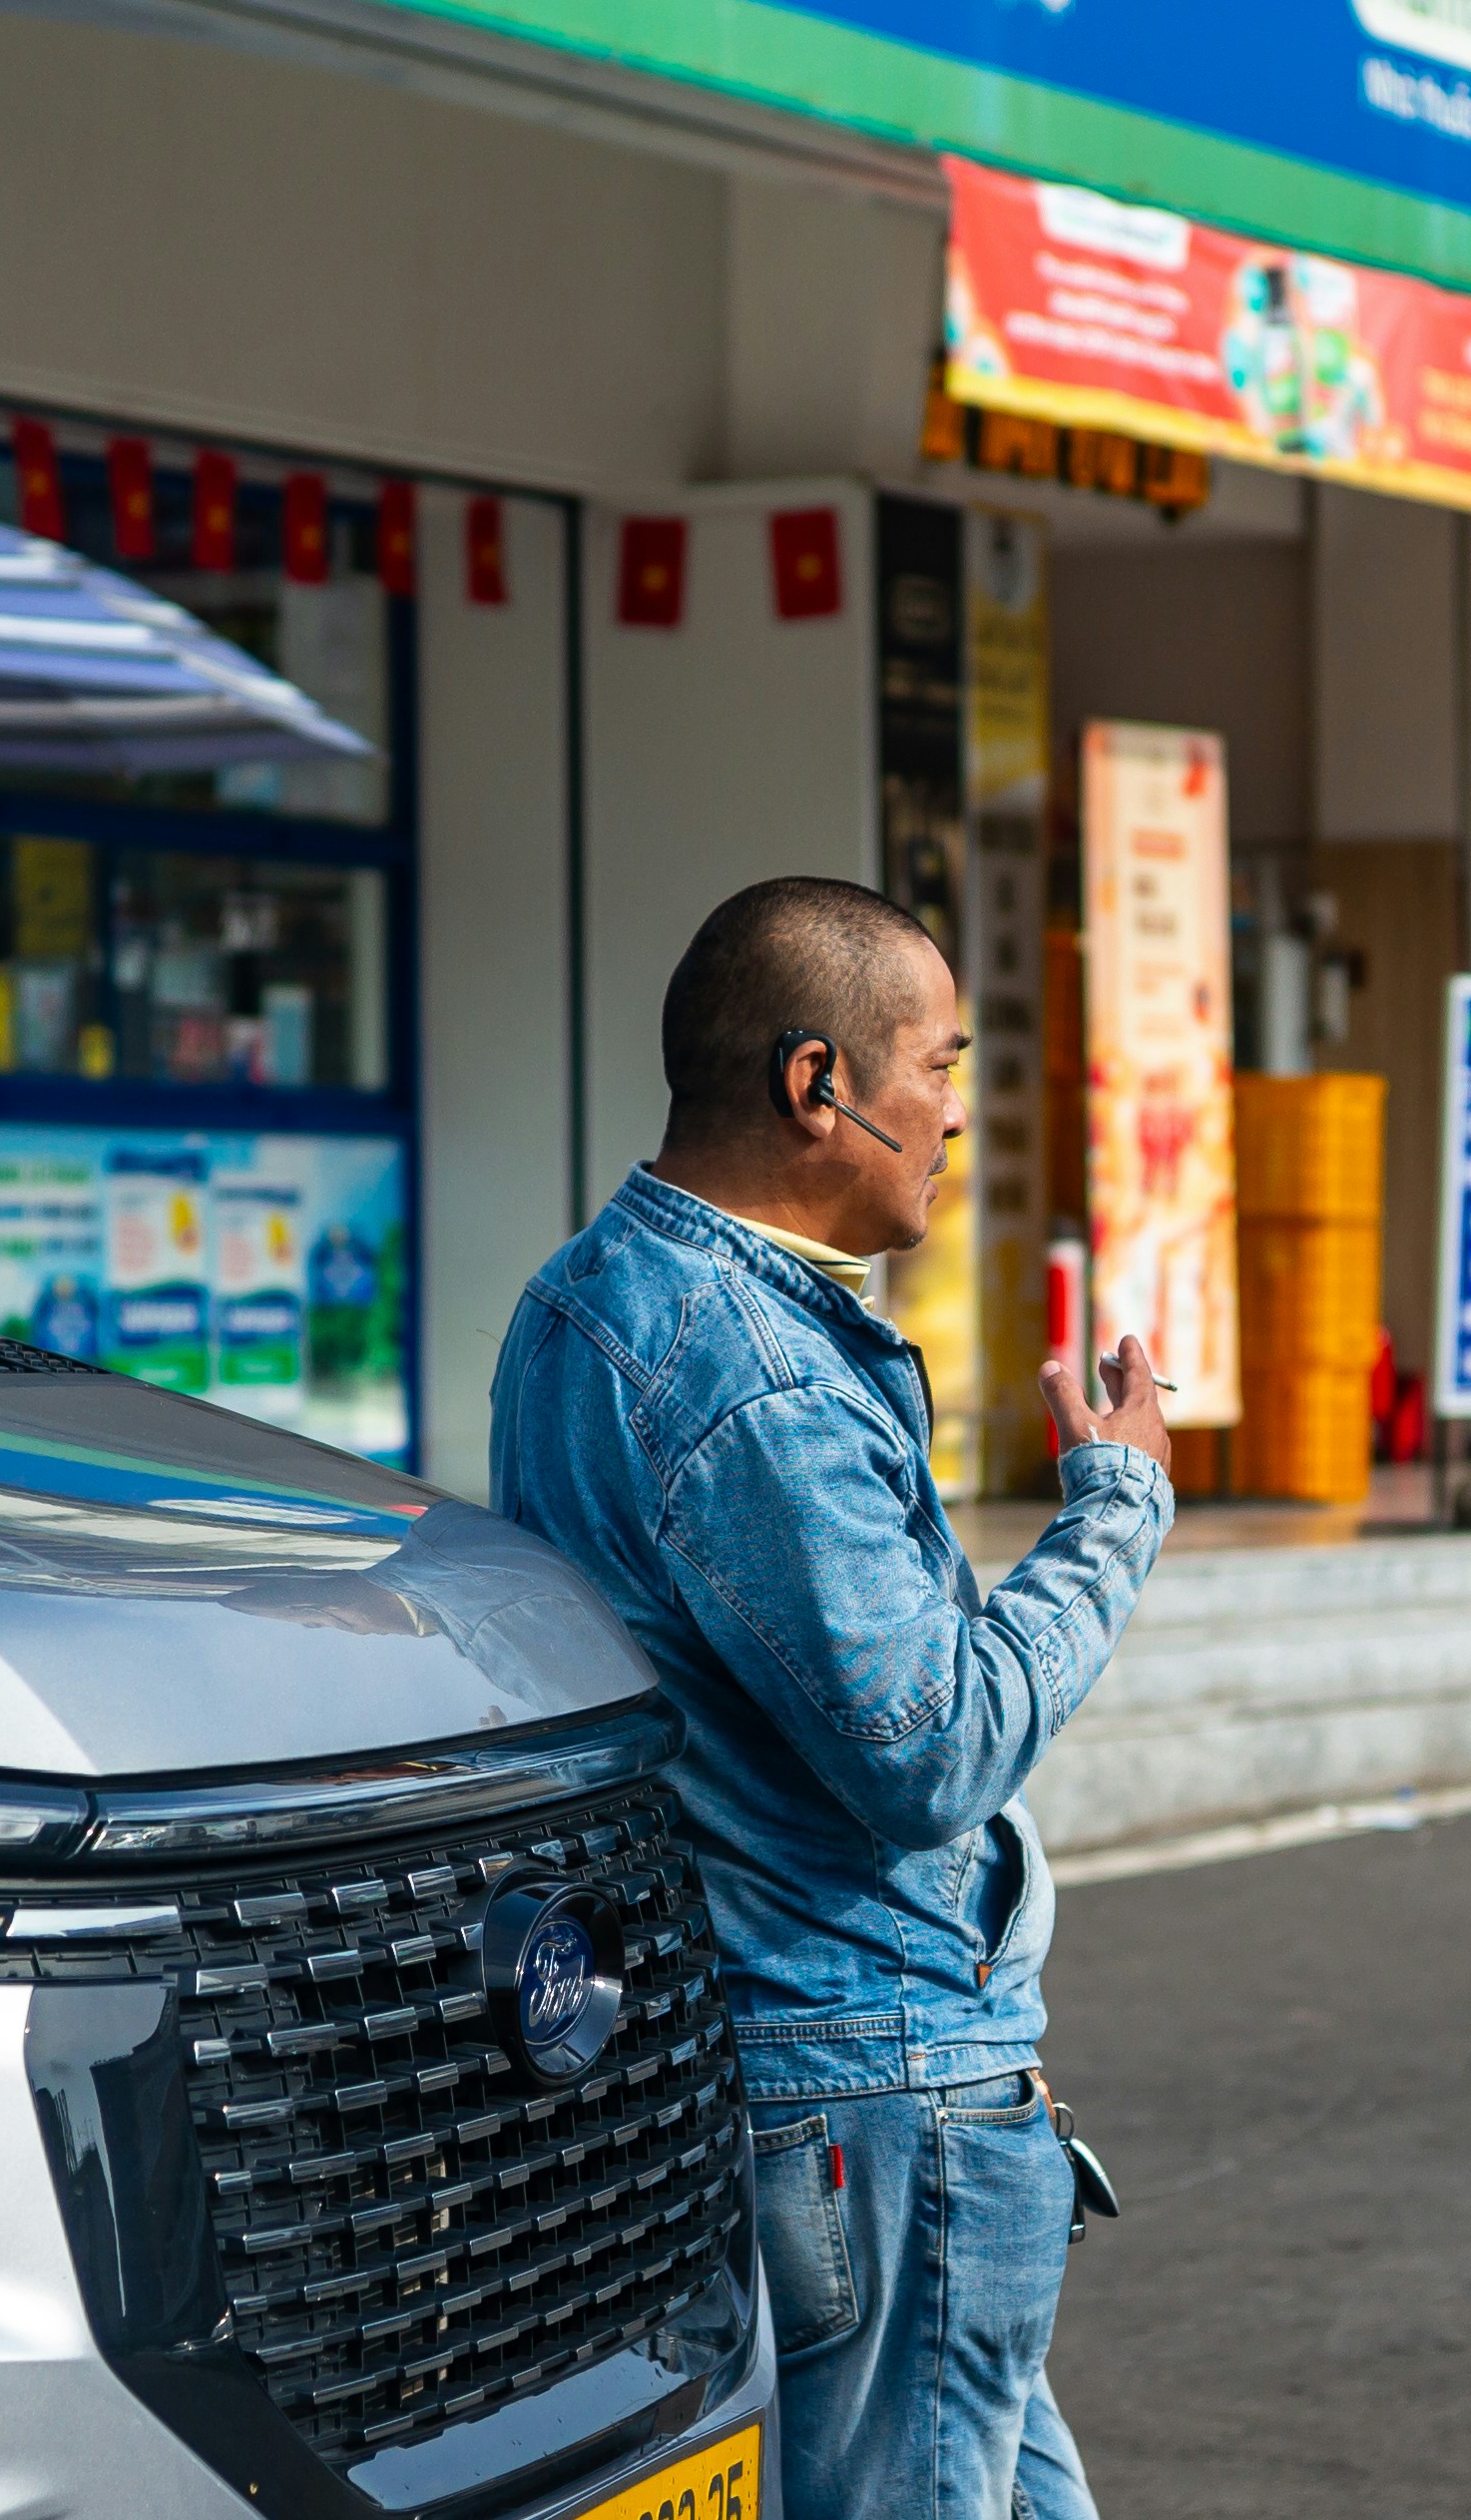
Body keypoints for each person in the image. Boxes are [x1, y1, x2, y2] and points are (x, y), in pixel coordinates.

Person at [491, 876, 1175, 2519]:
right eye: (938, 1065)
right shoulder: (764, 1376)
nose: (957, 1111)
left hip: (802, 2077)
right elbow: (931, 1745)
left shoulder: (577, 1304)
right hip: (872, 2088)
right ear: (819, 1084)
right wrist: (1118, 1508)